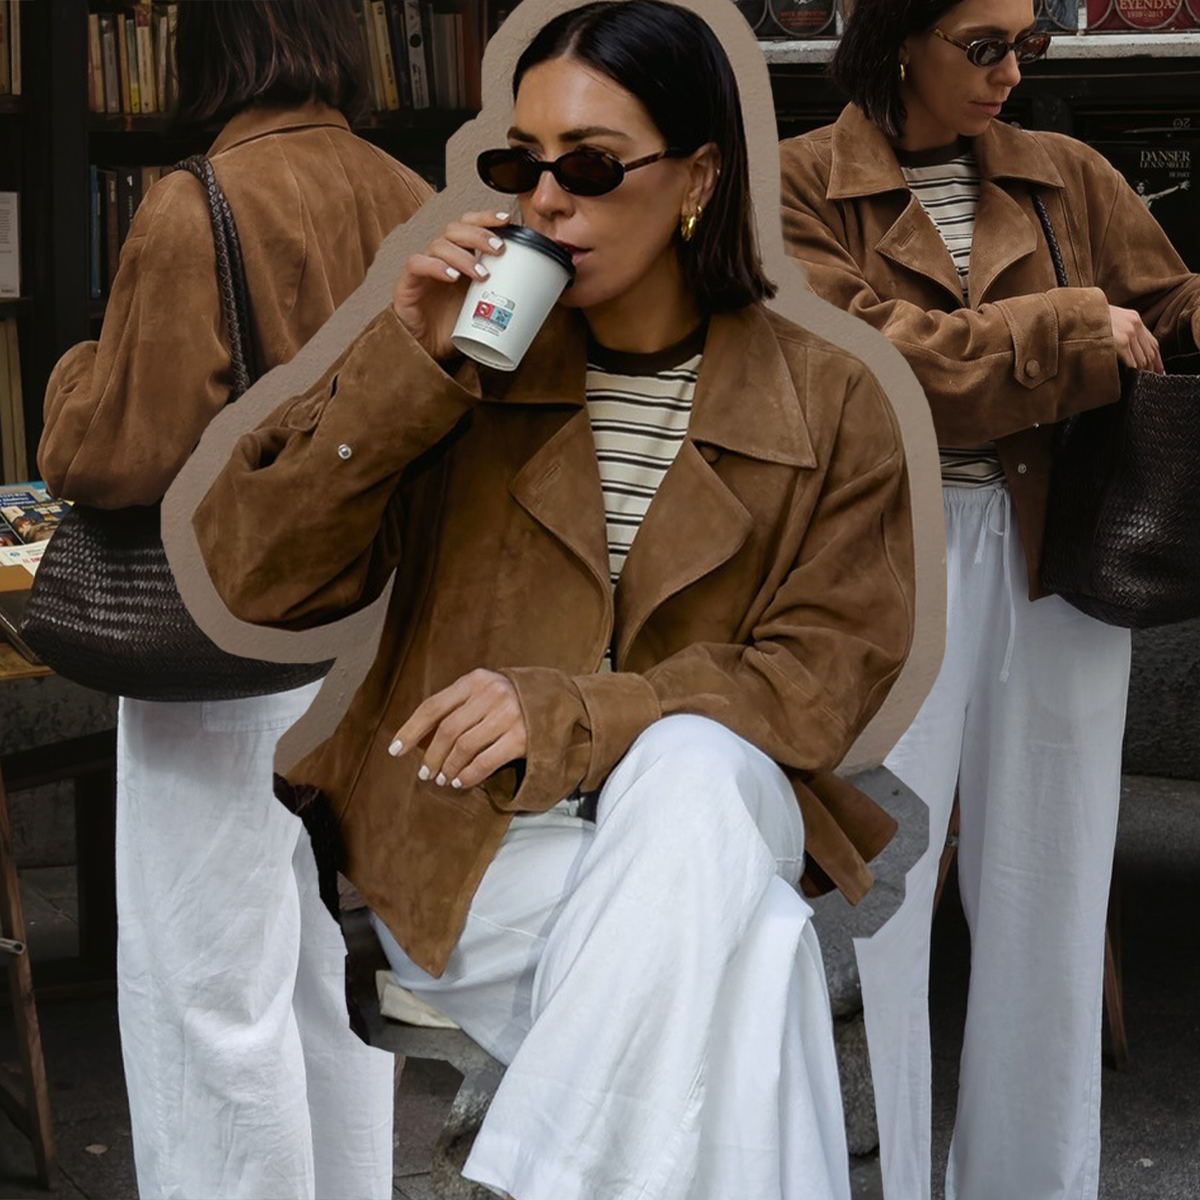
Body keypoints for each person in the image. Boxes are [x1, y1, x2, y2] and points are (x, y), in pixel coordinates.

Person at [191, 2, 918, 1197]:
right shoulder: (466, 369)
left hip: (715, 814)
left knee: (689, 763)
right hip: (474, 835)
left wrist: (582, 713)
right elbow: (249, 575)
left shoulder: (833, 400)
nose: (547, 199)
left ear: (699, 177)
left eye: (587, 164)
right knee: (768, 965)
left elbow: (822, 682)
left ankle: (532, 1172)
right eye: (517, 164)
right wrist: (401, 365)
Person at [779, 2, 1200, 1198]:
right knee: (873, 898)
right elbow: (862, 362)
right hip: (875, 558)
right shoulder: (800, 185)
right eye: (984, 45)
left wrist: (1172, 318)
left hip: (1056, 548)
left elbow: (1168, 305)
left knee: (1052, 892)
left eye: (1030, 47)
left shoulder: (1067, 175)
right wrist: (1070, 327)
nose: (1012, 72)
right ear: (899, 35)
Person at [36, 3, 432, 1196]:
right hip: (365, 638)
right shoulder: (411, 192)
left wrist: (72, 375)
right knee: (320, 973)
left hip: (222, 643)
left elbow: (121, 448)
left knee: (204, 988)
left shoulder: (194, 202)